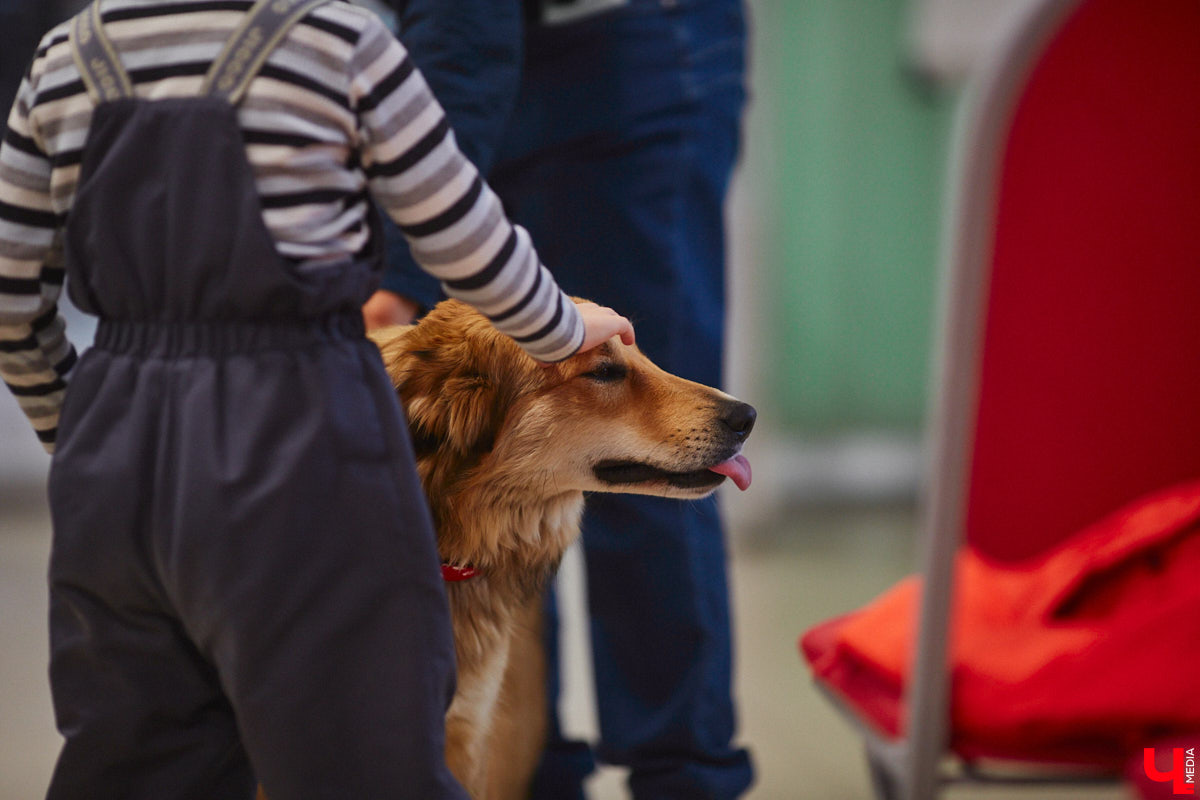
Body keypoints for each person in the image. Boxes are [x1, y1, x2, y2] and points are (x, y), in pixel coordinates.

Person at [0, 0, 632, 797]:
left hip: (116, 449)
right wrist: (560, 326)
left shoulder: (63, 57)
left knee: (139, 757)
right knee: (359, 750)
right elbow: (459, 235)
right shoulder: (336, 40)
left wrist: (83, 441)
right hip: (295, 426)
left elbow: (10, 299)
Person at [367, 1, 754, 797]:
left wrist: (398, 276)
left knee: (651, 451)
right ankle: (532, 773)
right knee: (499, 472)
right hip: (464, 70)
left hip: (628, 56)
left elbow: (462, 28)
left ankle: (682, 776)